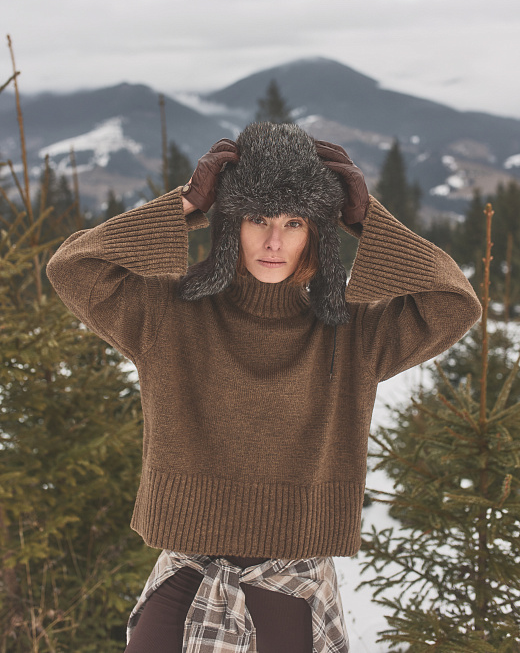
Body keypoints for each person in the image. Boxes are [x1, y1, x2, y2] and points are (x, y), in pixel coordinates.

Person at [46, 122, 482, 652]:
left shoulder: (354, 332)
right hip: (188, 578)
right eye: (256, 218)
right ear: (230, 224)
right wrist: (186, 204)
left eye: (294, 222)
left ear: (315, 232)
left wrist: (368, 221)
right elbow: (72, 267)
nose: (275, 241)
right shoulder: (168, 314)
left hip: (291, 586)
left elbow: (455, 302)